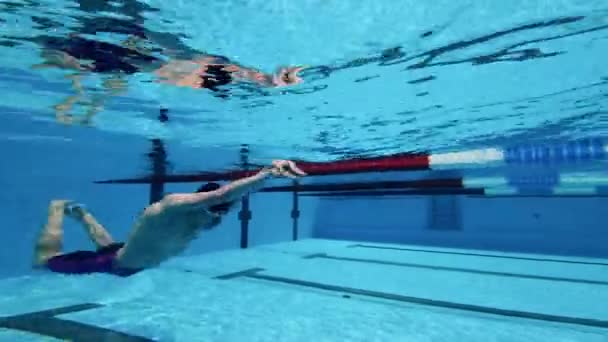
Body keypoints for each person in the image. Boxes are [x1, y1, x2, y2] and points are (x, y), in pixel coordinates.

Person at [32, 160, 307, 277]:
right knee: (43, 263)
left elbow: (227, 200)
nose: (218, 216)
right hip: (114, 265)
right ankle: (57, 209)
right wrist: (265, 174)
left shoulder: (209, 216)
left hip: (128, 260)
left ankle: (81, 214)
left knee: (112, 246)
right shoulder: (174, 204)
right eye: (216, 208)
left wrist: (252, 189)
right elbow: (222, 195)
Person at [32, 34, 305, 124]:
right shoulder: (207, 66)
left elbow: (251, 77)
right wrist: (275, 81)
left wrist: (275, 81)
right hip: (132, 55)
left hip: (128, 60)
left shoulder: (210, 70)